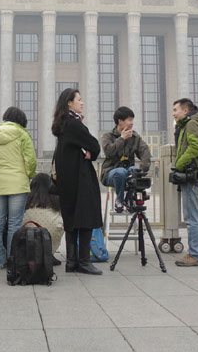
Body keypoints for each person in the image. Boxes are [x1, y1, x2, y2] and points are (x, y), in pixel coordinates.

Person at [51, 88, 103, 275]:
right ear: (69, 103)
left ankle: (71, 262)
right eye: (79, 100)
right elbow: (94, 145)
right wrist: (90, 150)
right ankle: (83, 261)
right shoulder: (74, 124)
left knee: (71, 219)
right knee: (86, 218)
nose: (82, 103)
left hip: (67, 179)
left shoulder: (62, 124)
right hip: (80, 178)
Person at [0, 107, 36, 269]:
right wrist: (30, 175)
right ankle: (12, 260)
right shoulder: (23, 135)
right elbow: (30, 161)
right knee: (14, 224)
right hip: (17, 183)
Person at [171, 97, 198, 267]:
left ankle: (195, 254)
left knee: (192, 218)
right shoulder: (189, 123)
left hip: (192, 176)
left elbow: (195, 147)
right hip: (194, 175)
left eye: (175, 110)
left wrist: (179, 164)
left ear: (185, 110)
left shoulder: (192, 124)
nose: (174, 114)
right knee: (196, 217)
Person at [100, 106, 152, 212]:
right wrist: (122, 139)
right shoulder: (108, 136)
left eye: (132, 120)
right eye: (129, 120)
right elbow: (109, 152)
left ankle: (128, 200)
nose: (132, 123)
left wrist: (143, 169)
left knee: (134, 170)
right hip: (110, 173)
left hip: (128, 172)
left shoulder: (135, 137)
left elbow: (144, 151)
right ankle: (119, 201)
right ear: (120, 121)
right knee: (120, 172)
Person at [23, 173, 64, 264]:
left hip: (30, 237)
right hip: (50, 237)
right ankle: (49, 254)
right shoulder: (55, 199)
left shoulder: (27, 199)